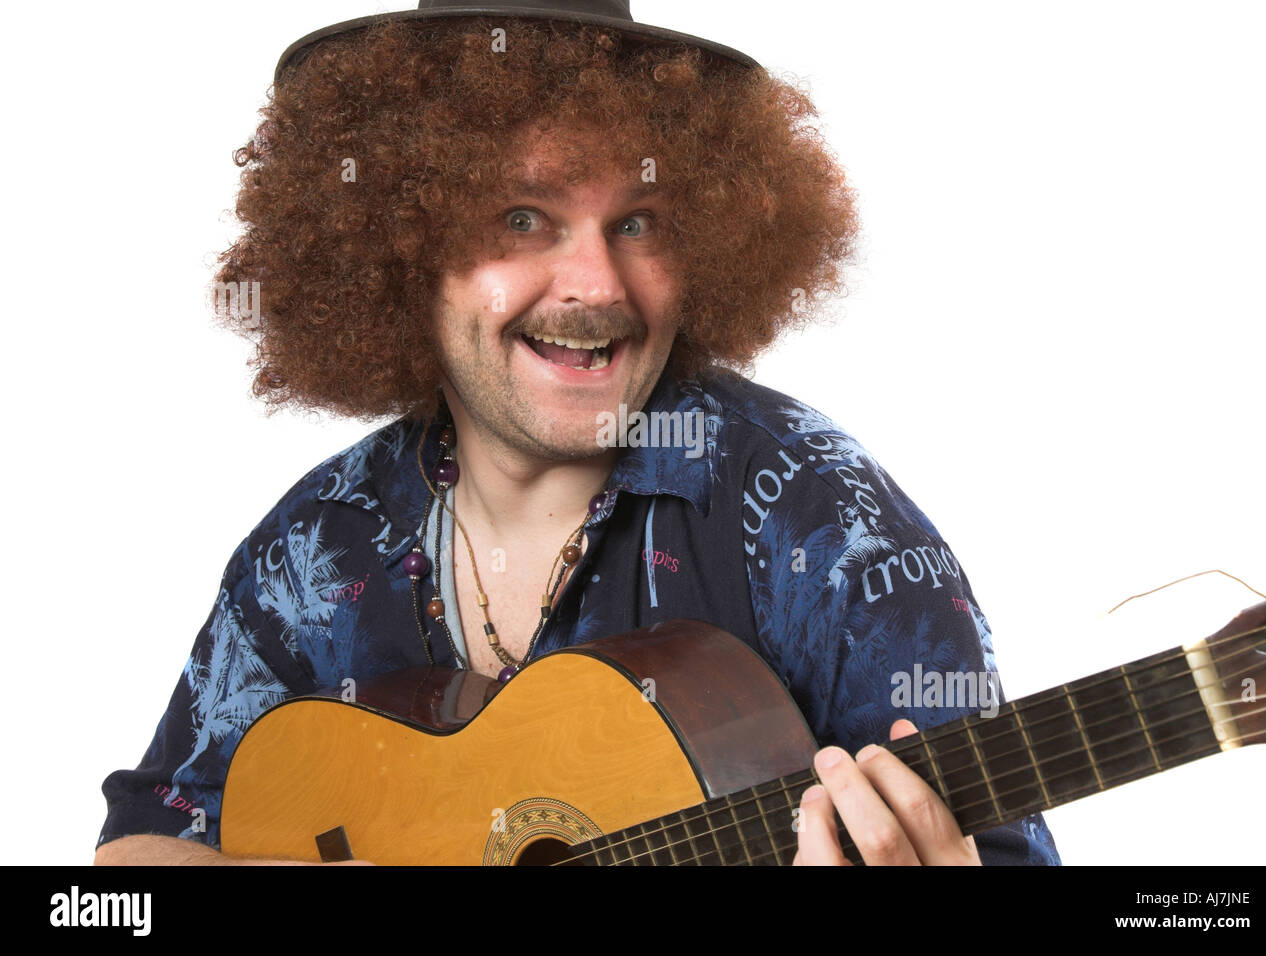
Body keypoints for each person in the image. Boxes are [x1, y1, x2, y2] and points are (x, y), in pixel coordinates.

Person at [93, 0, 1060, 866]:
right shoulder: (317, 543)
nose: (597, 284)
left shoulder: (823, 523)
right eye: (523, 216)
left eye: (639, 223)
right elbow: (138, 846)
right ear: (401, 243)